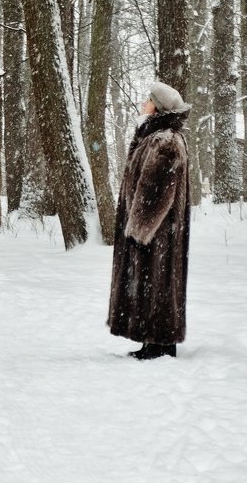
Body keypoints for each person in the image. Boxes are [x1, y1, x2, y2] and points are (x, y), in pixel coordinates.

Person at [107, 81, 191, 360]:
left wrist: (140, 230)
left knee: (158, 281)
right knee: (151, 283)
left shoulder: (165, 141)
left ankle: (160, 344)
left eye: (148, 100)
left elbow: (156, 192)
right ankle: (152, 342)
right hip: (153, 230)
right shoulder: (154, 137)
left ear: (159, 107)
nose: (144, 103)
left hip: (157, 231)